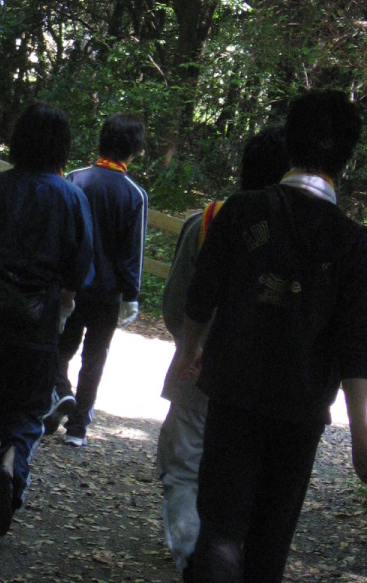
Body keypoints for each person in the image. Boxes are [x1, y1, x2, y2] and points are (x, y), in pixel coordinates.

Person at [175, 89, 367, 583]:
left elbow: (200, 296)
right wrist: (361, 430)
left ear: (290, 141)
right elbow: (354, 345)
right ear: (346, 157)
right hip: (301, 409)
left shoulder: (241, 211)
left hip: (233, 392)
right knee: (270, 541)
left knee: (219, 528)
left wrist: (187, 352)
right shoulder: (352, 243)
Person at [0, 102, 94, 535]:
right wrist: (61, 314)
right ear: (62, 148)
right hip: (36, 323)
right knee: (27, 409)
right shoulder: (72, 199)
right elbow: (77, 276)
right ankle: (11, 459)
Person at [157, 127, 289, 582]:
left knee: (184, 466)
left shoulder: (208, 221)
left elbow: (175, 304)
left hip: (198, 367)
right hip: (265, 379)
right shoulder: (304, 234)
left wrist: (190, 346)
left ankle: (193, 553)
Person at [44, 113, 147, 446]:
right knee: (94, 359)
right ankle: (77, 428)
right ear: (134, 150)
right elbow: (133, 251)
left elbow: (61, 233)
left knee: (60, 347)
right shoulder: (135, 194)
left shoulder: (76, 178)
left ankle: (59, 394)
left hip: (70, 286)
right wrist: (131, 294)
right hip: (108, 293)